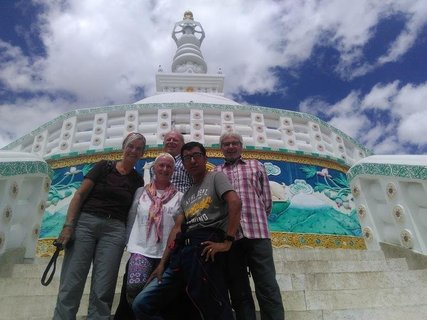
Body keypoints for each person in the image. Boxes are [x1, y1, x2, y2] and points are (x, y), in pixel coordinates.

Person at [132, 141, 242, 320]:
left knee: (214, 306)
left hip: (206, 248)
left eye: (196, 156)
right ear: (182, 164)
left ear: (205, 158)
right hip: (182, 254)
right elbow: (176, 228)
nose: (192, 161)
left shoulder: (215, 177)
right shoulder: (187, 194)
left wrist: (228, 242)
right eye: (187, 158)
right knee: (142, 304)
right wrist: (162, 264)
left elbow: (235, 202)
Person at [53, 132, 146, 320]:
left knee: (104, 288)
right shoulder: (104, 166)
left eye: (138, 148)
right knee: (72, 283)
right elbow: (79, 195)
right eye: (131, 146)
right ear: (123, 147)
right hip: (86, 223)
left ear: (142, 154)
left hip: (115, 231)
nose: (133, 151)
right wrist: (68, 226)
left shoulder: (137, 180)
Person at [114, 130, 191, 320]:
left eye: (168, 167)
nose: (164, 169)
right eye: (160, 166)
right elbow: (132, 216)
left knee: (166, 296)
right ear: (154, 168)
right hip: (141, 248)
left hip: (168, 251)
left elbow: (179, 226)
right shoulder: (141, 191)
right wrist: (126, 241)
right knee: (133, 288)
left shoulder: (181, 195)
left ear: (173, 171)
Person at [215, 132, 285, 320]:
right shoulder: (216, 172)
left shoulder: (256, 165)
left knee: (267, 285)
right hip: (232, 238)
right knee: (238, 289)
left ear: (241, 146)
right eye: (226, 144)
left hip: (258, 234)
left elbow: (267, 200)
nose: (230, 147)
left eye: (235, 143)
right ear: (221, 148)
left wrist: (258, 217)